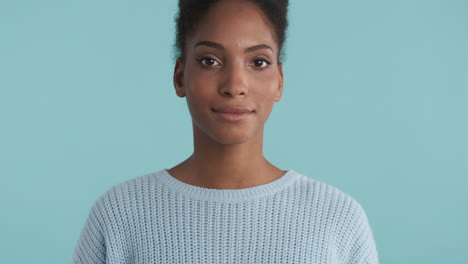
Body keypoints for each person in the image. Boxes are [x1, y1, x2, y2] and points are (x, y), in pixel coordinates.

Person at [73, 0, 379, 263]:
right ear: (180, 77)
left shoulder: (337, 218)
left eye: (258, 62)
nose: (234, 86)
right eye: (210, 61)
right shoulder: (118, 215)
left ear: (280, 82)